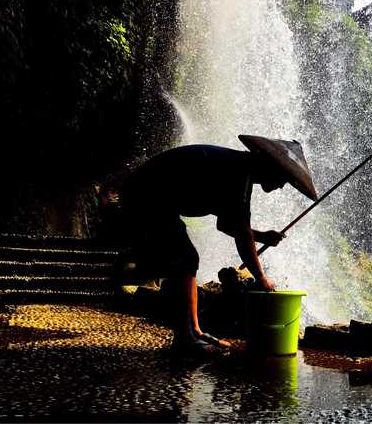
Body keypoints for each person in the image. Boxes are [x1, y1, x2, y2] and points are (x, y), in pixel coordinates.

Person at [121, 135, 318, 354]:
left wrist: (260, 236)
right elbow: (241, 234)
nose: (282, 186)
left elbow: (227, 225)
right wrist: (261, 277)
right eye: (284, 178)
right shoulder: (238, 174)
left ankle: (190, 332)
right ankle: (189, 336)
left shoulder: (237, 169)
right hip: (143, 196)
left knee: (183, 259)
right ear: (270, 166)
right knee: (186, 259)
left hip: (144, 195)